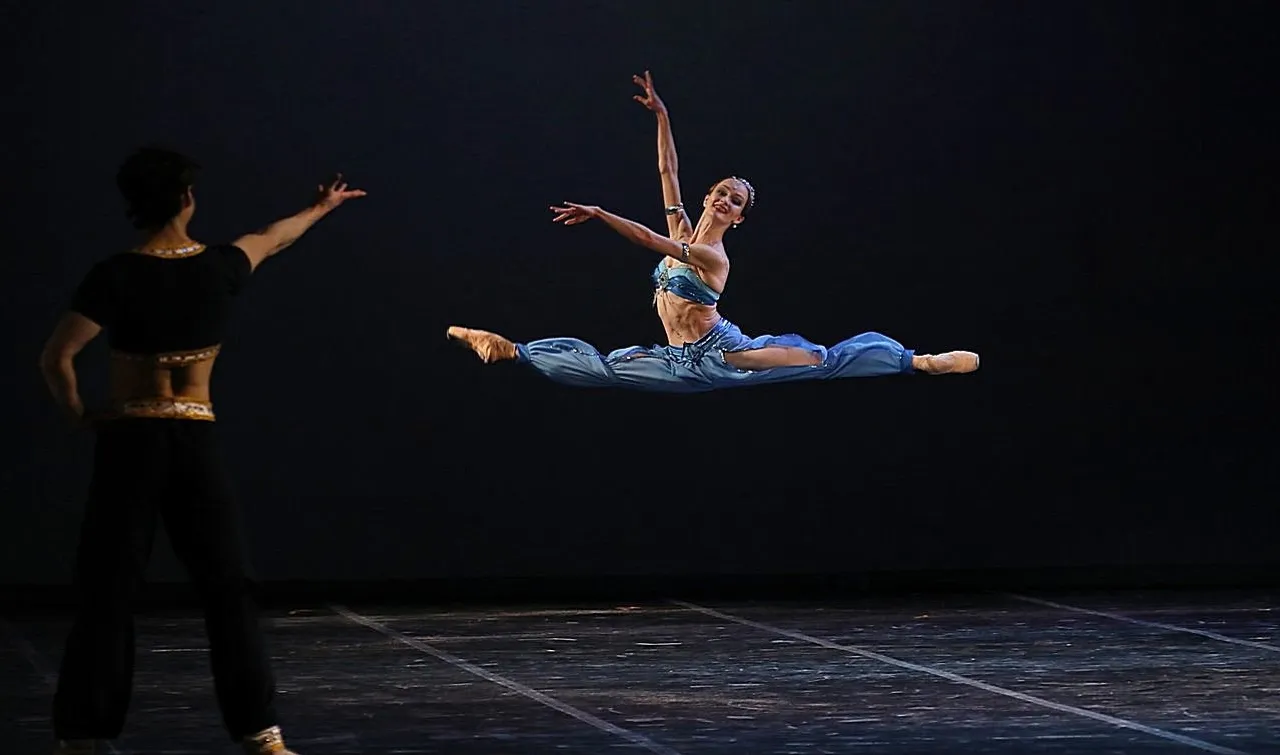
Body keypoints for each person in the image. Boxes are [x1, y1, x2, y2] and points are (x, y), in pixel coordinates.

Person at [37, 146, 366, 755]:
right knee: (227, 586)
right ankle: (260, 734)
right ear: (187, 199)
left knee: (109, 587)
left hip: (130, 440)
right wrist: (322, 207)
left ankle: (83, 735)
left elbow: (57, 358)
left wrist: (79, 415)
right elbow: (275, 238)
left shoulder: (115, 275)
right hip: (193, 439)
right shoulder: (219, 267)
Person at [446, 71, 979, 390]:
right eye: (722, 192)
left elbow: (650, 241)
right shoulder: (683, 223)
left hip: (725, 356)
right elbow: (667, 171)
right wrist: (662, 116)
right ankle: (510, 350)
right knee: (605, 368)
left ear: (738, 217)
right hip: (677, 361)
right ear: (709, 197)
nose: (726, 200)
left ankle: (918, 361)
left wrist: (601, 213)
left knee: (820, 360)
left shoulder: (713, 257)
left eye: (736, 201)